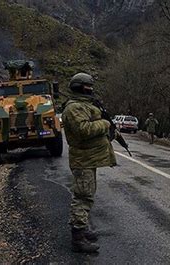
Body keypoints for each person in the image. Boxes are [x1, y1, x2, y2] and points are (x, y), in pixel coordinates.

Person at [62, 73, 117, 253]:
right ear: (80, 87)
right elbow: (84, 130)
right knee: (83, 196)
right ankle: (78, 237)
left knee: (88, 194)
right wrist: (105, 124)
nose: (91, 89)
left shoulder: (85, 105)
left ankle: (83, 229)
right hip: (83, 159)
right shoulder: (74, 108)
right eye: (88, 86)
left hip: (88, 158)